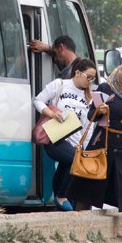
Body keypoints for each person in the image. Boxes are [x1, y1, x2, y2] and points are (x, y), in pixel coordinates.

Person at [66, 61, 122, 243]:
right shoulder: (106, 88)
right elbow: (91, 116)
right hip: (103, 143)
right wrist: (99, 110)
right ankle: (79, 229)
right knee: (88, 183)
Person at [33, 58, 98, 211]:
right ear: (77, 72)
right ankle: (61, 196)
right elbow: (37, 100)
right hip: (54, 137)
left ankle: (58, 199)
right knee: (72, 160)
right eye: (88, 77)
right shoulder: (59, 84)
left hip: (76, 142)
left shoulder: (89, 96)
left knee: (66, 164)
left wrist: (85, 147)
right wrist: (51, 113)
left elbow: (88, 124)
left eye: (93, 78)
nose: (90, 81)